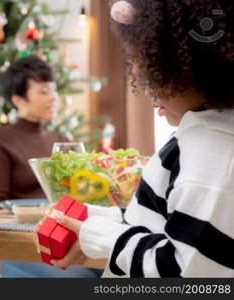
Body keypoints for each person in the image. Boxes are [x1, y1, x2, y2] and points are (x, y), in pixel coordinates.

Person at [50, 0, 234, 277]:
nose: (145, 86)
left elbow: (188, 272)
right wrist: (104, 219)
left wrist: (108, 238)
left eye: (151, 69)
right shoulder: (205, 134)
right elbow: (175, 223)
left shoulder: (210, 149)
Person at [0, 55, 102, 278]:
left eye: (54, 90)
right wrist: (46, 213)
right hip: (24, 245)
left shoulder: (61, 139)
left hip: (69, 238)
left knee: (124, 267)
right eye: (44, 91)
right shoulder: (0, 140)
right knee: (81, 278)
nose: (53, 97)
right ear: (18, 99)